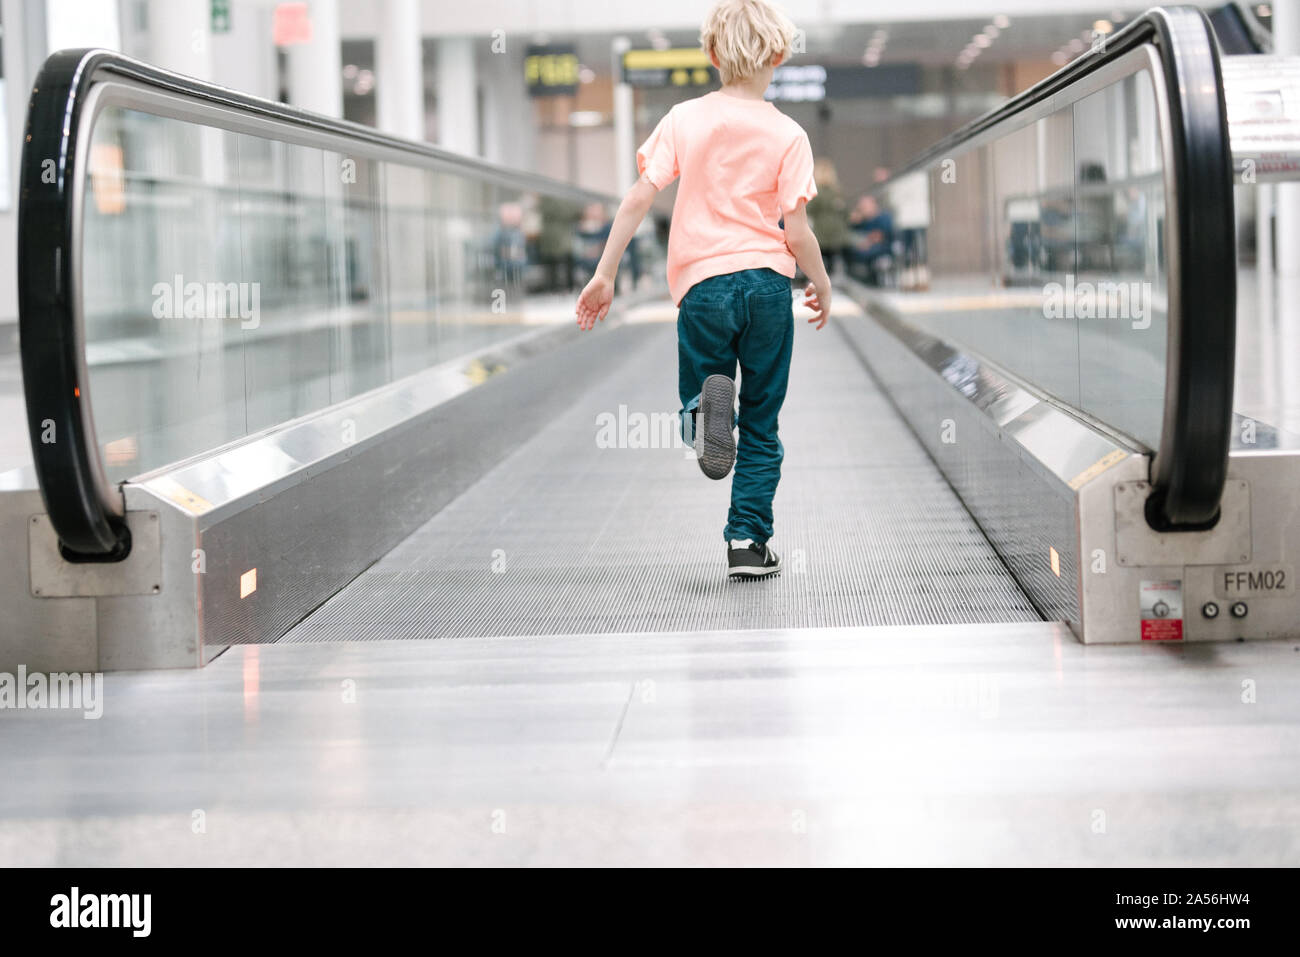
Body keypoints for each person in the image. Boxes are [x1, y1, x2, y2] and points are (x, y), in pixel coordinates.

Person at [574, 0, 830, 581]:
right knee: (762, 422)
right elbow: (798, 231)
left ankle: (701, 415)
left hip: (702, 286)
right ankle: (747, 541)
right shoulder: (789, 134)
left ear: (712, 56)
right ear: (781, 55)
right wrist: (820, 282)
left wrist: (606, 272)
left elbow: (640, 195)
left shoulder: (684, 118)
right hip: (767, 286)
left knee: (706, 392)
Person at [805, 157, 849, 276]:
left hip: (821, 231)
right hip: (837, 231)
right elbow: (846, 212)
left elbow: (809, 210)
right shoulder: (837, 191)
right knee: (834, 258)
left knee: (821, 258)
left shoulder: (816, 191)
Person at [847, 194, 893, 284]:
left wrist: (866, 242)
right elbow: (851, 234)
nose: (863, 209)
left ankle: (872, 279)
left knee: (869, 252)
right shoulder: (861, 220)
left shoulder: (883, 217)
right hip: (861, 246)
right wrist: (854, 221)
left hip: (880, 247)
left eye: (865, 206)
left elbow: (880, 236)